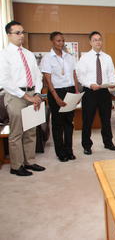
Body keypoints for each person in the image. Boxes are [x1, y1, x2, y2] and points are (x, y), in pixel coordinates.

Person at [0, 20, 46, 176]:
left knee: (31, 131)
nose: (21, 36)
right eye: (17, 33)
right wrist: (26, 96)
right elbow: (4, 81)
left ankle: (30, 161)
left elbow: (38, 75)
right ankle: (16, 165)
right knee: (17, 132)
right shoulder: (4, 55)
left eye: (22, 32)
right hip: (15, 96)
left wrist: (38, 93)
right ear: (9, 35)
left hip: (32, 94)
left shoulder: (28, 53)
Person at [76, 31, 115, 155]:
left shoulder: (107, 57)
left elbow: (111, 73)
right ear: (90, 42)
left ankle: (108, 143)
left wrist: (112, 82)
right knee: (87, 120)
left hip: (104, 91)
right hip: (90, 92)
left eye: (99, 39)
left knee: (106, 119)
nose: (98, 42)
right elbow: (80, 75)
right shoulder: (85, 58)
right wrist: (90, 84)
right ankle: (87, 145)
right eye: (95, 40)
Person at [41, 31, 80, 162]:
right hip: (56, 92)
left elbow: (74, 75)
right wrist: (56, 97)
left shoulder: (69, 57)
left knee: (69, 123)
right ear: (52, 41)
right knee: (58, 124)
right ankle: (60, 152)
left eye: (62, 40)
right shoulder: (47, 58)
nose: (61, 43)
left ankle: (69, 150)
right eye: (58, 41)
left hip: (70, 91)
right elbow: (48, 80)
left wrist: (76, 92)